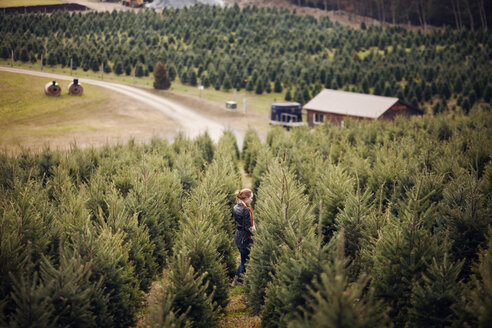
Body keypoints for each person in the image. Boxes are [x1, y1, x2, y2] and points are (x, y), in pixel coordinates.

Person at [230, 188, 256, 286]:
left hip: (238, 236)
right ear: (246, 198)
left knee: (243, 258)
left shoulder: (236, 206)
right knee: (245, 260)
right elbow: (248, 227)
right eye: (251, 198)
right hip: (244, 239)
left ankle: (235, 280)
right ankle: (240, 281)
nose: (252, 200)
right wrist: (254, 236)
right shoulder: (246, 210)